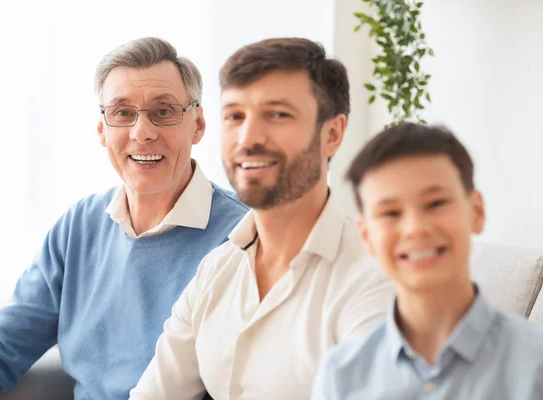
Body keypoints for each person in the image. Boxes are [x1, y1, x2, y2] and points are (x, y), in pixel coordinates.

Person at [0, 37, 247, 400]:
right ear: (103, 131)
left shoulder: (241, 237)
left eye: (163, 111)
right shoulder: (78, 228)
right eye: (122, 113)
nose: (142, 132)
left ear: (197, 125)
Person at [129, 37, 394, 400]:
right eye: (235, 116)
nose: (248, 138)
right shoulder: (216, 271)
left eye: (278, 114)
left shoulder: (376, 278)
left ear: (332, 134)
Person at [311, 122, 543, 400]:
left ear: (476, 211)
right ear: (367, 236)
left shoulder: (534, 363)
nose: (415, 228)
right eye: (390, 213)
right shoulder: (341, 375)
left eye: (436, 204)